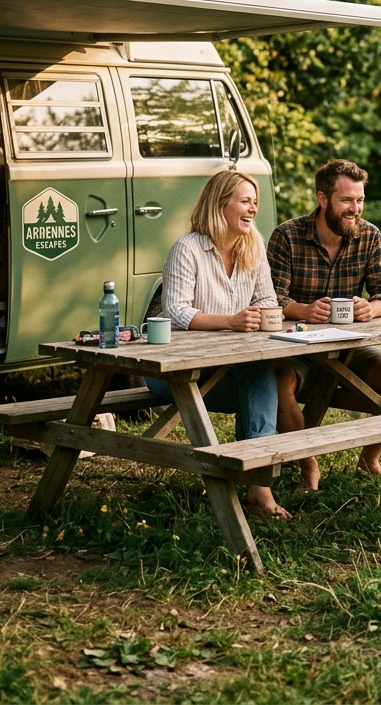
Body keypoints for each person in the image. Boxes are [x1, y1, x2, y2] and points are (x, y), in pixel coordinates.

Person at [146, 170, 291, 519]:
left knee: (260, 374)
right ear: (220, 204)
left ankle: (256, 485)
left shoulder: (253, 246)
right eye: (245, 201)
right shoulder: (188, 248)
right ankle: (247, 479)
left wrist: (278, 320)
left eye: (255, 202)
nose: (253, 209)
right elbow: (176, 311)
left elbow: (269, 300)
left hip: (229, 369)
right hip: (175, 373)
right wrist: (231, 321)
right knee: (258, 383)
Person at [267, 158, 381, 490]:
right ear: (323, 199)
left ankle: (369, 461)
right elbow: (270, 298)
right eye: (347, 200)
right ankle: (308, 466)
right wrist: (303, 310)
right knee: (276, 384)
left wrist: (370, 308)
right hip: (295, 348)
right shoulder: (287, 236)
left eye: (359, 200)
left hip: (347, 348)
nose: (355, 209)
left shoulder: (370, 235)